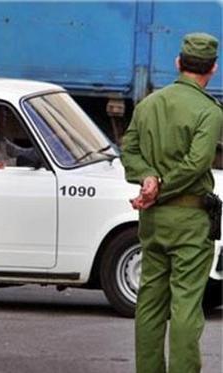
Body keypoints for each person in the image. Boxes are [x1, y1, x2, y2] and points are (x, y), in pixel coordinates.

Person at [121, 33, 222, 373]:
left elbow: (129, 150)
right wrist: (160, 187)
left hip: (153, 220)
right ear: (213, 69)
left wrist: (148, 179)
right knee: (185, 306)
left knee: (149, 302)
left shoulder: (148, 104)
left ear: (178, 63)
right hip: (190, 220)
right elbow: (197, 164)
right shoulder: (209, 112)